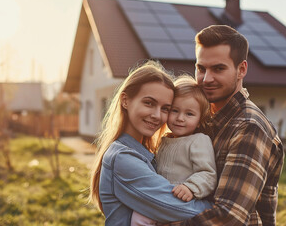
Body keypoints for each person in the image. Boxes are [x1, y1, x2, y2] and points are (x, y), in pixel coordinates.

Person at [163, 25, 285, 225]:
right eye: (201, 68)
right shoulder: (201, 119)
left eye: (218, 68)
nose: (207, 79)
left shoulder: (249, 127)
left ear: (241, 69)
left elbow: (228, 217)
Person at [88, 60, 212, 226]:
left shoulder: (149, 152)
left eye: (165, 108)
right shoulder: (123, 157)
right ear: (125, 101)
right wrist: (224, 208)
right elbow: (178, 208)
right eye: (149, 103)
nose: (157, 115)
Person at [131, 75, 218, 226]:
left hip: (183, 202)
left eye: (189, 114)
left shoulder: (198, 141)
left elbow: (208, 174)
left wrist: (190, 187)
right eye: (174, 110)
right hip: (160, 199)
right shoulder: (164, 140)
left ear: (200, 119)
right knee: (137, 217)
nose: (180, 118)